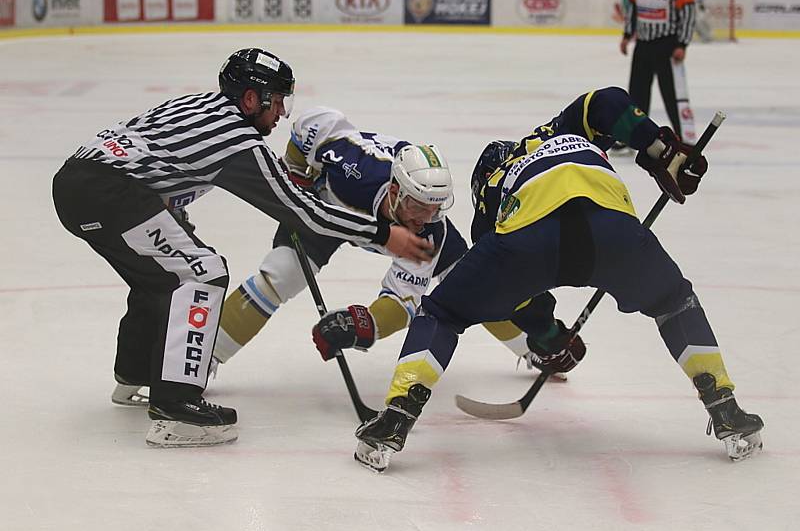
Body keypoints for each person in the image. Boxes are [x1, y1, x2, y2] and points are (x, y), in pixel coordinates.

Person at [352, 86, 764, 472]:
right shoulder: (558, 133)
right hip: (612, 229)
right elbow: (608, 101)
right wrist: (662, 151)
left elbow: (512, 295)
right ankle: (724, 408)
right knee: (675, 304)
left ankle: (396, 418)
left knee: (441, 312)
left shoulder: (493, 195)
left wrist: (547, 336)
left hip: (529, 238)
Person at [51, 48, 432, 448]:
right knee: (202, 273)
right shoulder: (237, 139)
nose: (282, 113)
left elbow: (150, 156)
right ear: (251, 99)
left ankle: (136, 376)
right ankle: (176, 407)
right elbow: (305, 214)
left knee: (160, 276)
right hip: (109, 194)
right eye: (278, 100)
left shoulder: (200, 106)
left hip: (76, 184)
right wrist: (382, 233)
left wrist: (169, 214)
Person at [210, 106, 578, 382]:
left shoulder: (426, 233)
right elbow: (312, 123)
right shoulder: (353, 166)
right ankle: (201, 360)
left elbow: (403, 303)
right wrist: (294, 176)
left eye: (435, 208)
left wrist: (360, 325)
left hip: (370, 225)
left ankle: (533, 349)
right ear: (395, 191)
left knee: (473, 287)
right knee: (281, 275)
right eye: (419, 205)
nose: (425, 217)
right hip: (323, 215)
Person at [616, 0, 698, 151]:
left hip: (667, 45)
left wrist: (682, 44)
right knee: (636, 95)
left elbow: (688, 13)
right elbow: (633, 8)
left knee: (673, 96)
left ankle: (684, 140)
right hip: (643, 45)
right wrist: (627, 35)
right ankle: (631, 137)